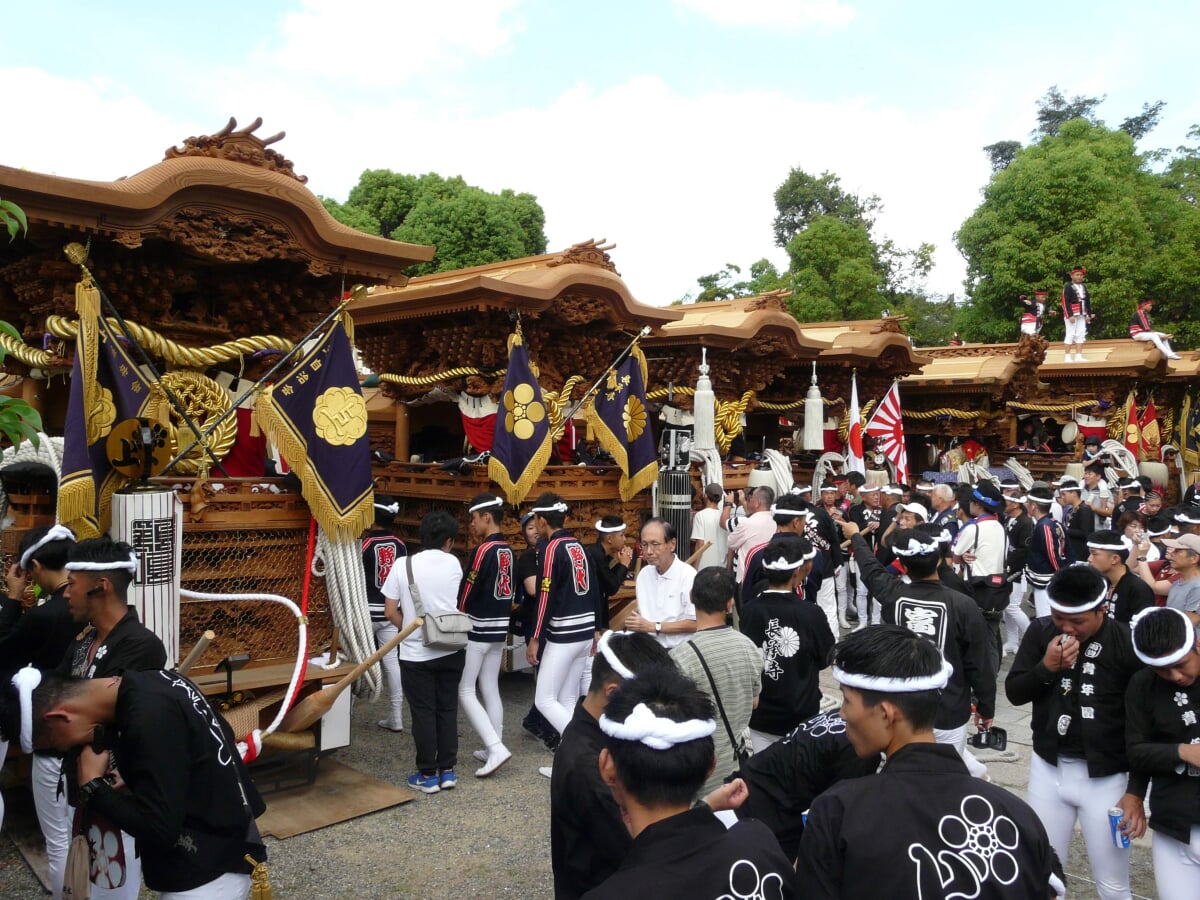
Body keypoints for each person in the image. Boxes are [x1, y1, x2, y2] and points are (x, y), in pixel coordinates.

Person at [796, 625, 1063, 899]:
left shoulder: (839, 812)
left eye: (847, 700)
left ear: (886, 714)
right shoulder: (1016, 815)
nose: (841, 714)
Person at [2, 668, 266, 899]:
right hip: (227, 846)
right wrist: (149, 776)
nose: (69, 748)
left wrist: (93, 787)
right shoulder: (156, 679)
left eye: (58, 745)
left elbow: (161, 830)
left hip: (205, 873)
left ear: (59, 717)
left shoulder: (146, 716)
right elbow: (214, 738)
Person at [583, 667, 799, 899]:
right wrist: (705, 809)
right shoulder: (757, 844)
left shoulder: (611, 893)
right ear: (710, 766)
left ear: (607, 766)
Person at [1005, 565, 1147, 900]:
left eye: (1078, 621)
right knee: (1043, 875)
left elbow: (1144, 722)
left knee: (1112, 883)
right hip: (1048, 769)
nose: (1067, 628)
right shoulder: (1041, 632)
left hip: (1107, 777)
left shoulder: (1126, 641)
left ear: (1103, 608)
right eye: (1059, 617)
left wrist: (1136, 792)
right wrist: (1047, 667)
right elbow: (1014, 692)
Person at [59, 537, 168, 900]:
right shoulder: (84, 639)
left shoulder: (142, 645)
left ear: (100, 586)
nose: (64, 593)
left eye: (71, 583)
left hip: (117, 790)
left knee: (112, 887)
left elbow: (90, 714)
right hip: (81, 784)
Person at [845, 523, 995, 778]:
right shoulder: (963, 604)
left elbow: (871, 570)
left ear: (902, 566)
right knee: (945, 777)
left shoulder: (892, 595)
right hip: (950, 708)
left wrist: (857, 538)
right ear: (939, 561)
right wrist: (986, 706)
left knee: (904, 773)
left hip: (901, 711)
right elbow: (980, 663)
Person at [550, 631, 672, 899]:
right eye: (647, 702)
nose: (653, 712)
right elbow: (639, 850)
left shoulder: (598, 732)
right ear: (613, 692)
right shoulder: (588, 764)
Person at [0, 524, 78, 897]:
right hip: (90, 727)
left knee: (59, 837)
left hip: (50, 732)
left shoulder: (45, 617)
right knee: (78, 827)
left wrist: (12, 600)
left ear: (38, 566)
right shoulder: (92, 603)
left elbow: (2, 654)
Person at [716, 709, 880, 863]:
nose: (843, 711)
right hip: (753, 820)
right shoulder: (859, 749)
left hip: (737, 793)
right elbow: (832, 824)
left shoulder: (840, 719)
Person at [383, 510, 466, 793]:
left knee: (423, 712)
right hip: (452, 646)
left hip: (415, 652)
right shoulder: (454, 564)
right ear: (449, 541)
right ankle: (448, 770)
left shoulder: (402, 565)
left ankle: (427, 774)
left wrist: (408, 626)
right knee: (447, 707)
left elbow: (390, 611)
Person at [1126, 607, 1200, 900]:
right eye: (1162, 670)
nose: (1176, 676)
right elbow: (1135, 749)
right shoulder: (1142, 684)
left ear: (1195, 643)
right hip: (1173, 820)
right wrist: (1182, 751)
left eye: (1181, 665)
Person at [670, 567, 760, 796]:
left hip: (697, 772)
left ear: (692, 597)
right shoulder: (748, 646)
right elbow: (754, 702)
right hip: (734, 767)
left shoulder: (681, 657)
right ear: (730, 604)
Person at [739, 536, 833, 751]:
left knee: (765, 770)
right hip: (800, 710)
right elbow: (826, 657)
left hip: (760, 712)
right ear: (796, 572)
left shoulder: (749, 611)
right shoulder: (811, 613)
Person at [525, 493, 599, 762]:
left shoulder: (550, 548)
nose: (535, 525)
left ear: (543, 520)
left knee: (545, 700)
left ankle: (586, 752)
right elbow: (594, 590)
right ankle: (569, 766)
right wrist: (595, 629)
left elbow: (544, 596)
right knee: (567, 700)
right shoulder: (578, 545)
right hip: (584, 629)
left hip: (564, 633)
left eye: (535, 520)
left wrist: (535, 637)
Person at [458, 495, 515, 777]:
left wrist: (458, 613)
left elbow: (468, 588)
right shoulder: (508, 549)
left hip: (478, 626)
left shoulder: (483, 551)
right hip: (500, 624)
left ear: (487, 517)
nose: (472, 524)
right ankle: (495, 742)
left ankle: (495, 748)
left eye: (474, 518)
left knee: (466, 689)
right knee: (490, 686)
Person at [951, 481, 1008, 669]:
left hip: (975, 588)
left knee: (978, 640)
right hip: (997, 588)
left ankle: (984, 680)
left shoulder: (973, 528)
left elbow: (954, 556)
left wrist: (961, 557)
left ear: (977, 505)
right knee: (992, 636)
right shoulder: (1000, 527)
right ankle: (992, 675)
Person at [516, 511, 559, 750]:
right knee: (545, 675)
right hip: (535, 621)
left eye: (536, 526)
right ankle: (543, 725)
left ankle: (534, 720)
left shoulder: (552, 552)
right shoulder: (528, 557)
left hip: (553, 621)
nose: (533, 531)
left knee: (549, 676)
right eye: (528, 528)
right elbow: (533, 589)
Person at [362, 497, 406, 732]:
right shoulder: (400, 544)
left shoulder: (365, 543)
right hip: (391, 611)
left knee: (357, 661)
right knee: (391, 664)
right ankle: (396, 716)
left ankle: (344, 715)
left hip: (365, 610)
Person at [625, 519, 696, 649]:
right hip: (648, 649)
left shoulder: (688, 575)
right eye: (644, 545)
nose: (649, 551)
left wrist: (654, 627)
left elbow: (695, 623)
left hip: (679, 651)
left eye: (655, 544)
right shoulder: (644, 575)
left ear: (672, 544)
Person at [1086, 530, 1156, 624]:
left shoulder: (1138, 589)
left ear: (1114, 559)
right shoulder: (1099, 583)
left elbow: (1141, 629)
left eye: (1094, 554)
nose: (1089, 559)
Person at [1025, 485, 1071, 617]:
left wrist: (1059, 575)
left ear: (1033, 505)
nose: (1027, 505)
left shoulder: (1044, 526)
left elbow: (1052, 554)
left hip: (1046, 578)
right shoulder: (1054, 522)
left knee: (1044, 616)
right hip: (1051, 576)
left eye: (1028, 502)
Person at [585, 516, 632, 634]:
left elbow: (609, 577)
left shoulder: (601, 554)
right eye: (621, 535)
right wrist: (624, 565)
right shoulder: (596, 555)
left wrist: (620, 564)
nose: (625, 539)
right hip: (590, 617)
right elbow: (611, 587)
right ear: (610, 538)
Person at [848, 484, 884, 629]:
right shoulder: (855, 510)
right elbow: (856, 527)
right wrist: (870, 525)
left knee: (877, 589)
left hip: (879, 555)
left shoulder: (883, 510)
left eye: (877, 494)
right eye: (873, 495)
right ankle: (863, 621)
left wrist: (880, 524)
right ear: (863, 497)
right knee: (861, 590)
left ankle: (875, 621)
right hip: (862, 553)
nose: (876, 497)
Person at [725, 485, 776, 585]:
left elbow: (731, 543)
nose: (748, 501)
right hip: (768, 576)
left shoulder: (746, 523)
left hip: (747, 577)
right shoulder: (775, 521)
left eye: (751, 498)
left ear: (757, 503)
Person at [1002, 489, 1033, 656]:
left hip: (1017, 570)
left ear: (1015, 504)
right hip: (1008, 568)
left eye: (1006, 501)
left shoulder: (1026, 523)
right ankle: (1012, 641)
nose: (1004, 504)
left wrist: (1009, 566)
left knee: (1012, 606)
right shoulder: (1009, 519)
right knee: (1008, 608)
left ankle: (1032, 639)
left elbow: (1023, 550)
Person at [689, 484, 729, 571]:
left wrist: (695, 567)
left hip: (705, 566)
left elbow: (700, 544)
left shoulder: (700, 515)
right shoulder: (725, 516)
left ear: (706, 496)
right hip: (722, 565)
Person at [1162, 532, 1200, 622]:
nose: (1171, 554)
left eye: (1177, 551)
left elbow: (1189, 626)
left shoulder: (1198, 587)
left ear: (1194, 558)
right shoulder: (1177, 583)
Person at [1058, 477, 1095, 562]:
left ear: (1074, 493)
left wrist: (1065, 529)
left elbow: (1086, 533)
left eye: (1064, 494)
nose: (1062, 497)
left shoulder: (1084, 509)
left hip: (1081, 554)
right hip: (1071, 552)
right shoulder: (1071, 510)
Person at [1061, 265, 1093, 362]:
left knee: (1081, 333)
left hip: (1082, 313)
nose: (1079, 277)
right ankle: (1067, 356)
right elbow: (1065, 302)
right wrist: (1069, 315)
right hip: (1072, 314)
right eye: (1077, 275)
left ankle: (1079, 355)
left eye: (1080, 275)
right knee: (1070, 334)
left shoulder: (1083, 286)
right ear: (1072, 276)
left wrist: (1088, 314)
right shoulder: (1068, 287)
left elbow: (1087, 301)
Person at [1082, 460, 1115, 528]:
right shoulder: (1081, 490)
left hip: (1099, 529)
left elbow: (1110, 512)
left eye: (1089, 474)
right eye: (1085, 473)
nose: (1086, 476)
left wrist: (1094, 508)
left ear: (1098, 476)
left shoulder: (1105, 492)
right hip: (1082, 529)